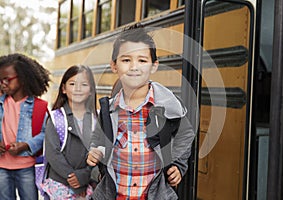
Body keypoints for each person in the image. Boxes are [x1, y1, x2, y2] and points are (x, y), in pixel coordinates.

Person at [87, 24, 195, 200]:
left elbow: (186, 134)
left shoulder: (168, 106)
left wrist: (178, 165)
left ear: (154, 66)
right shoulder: (108, 110)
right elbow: (97, 140)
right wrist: (94, 155)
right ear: (114, 66)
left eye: (142, 60)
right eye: (126, 60)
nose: (134, 67)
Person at [41, 65, 98, 199]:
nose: (78, 89)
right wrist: (72, 178)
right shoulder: (56, 118)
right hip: (59, 184)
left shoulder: (96, 119)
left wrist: (84, 176)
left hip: (87, 184)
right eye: (72, 84)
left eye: (84, 84)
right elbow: (52, 153)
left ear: (91, 90)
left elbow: (99, 152)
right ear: (64, 89)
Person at [0, 53, 50, 200]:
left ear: (22, 78)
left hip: (26, 167)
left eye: (7, 79)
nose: (3, 83)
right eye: (0, 80)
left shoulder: (39, 107)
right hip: (2, 166)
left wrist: (26, 145)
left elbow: (46, 133)